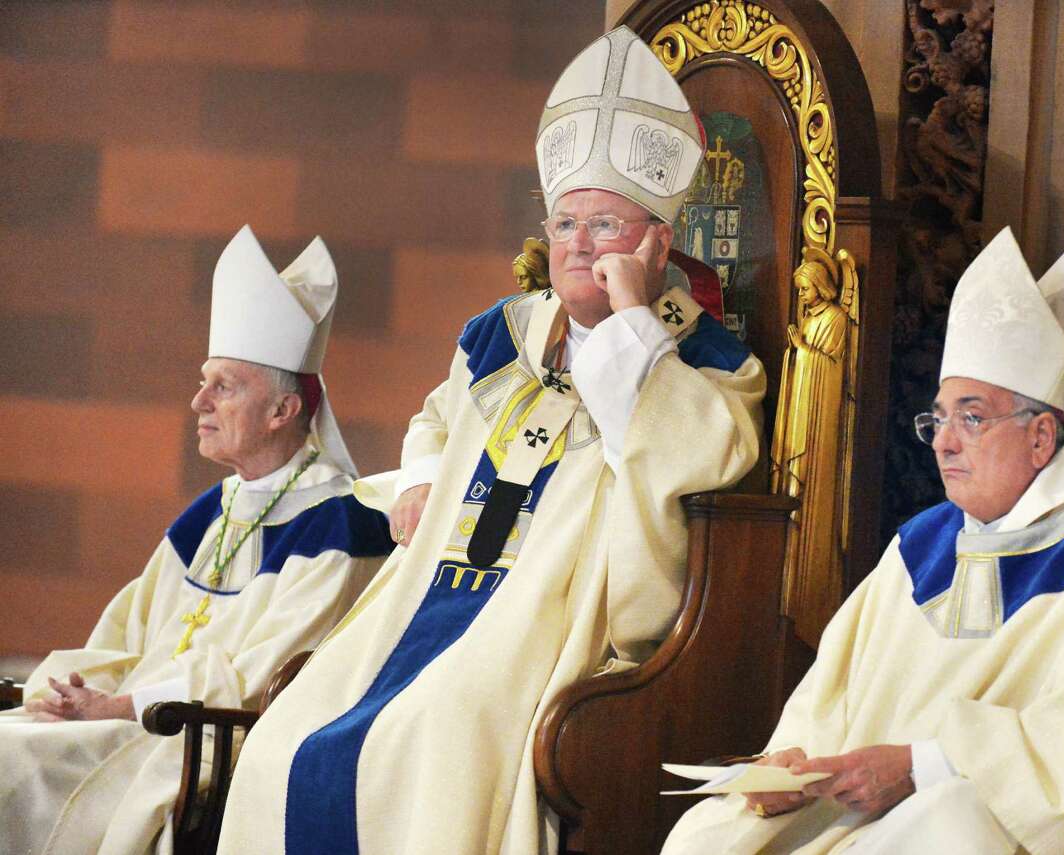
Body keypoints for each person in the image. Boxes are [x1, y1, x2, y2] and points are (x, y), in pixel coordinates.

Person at [216, 26, 765, 855]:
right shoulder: (503, 332)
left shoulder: (705, 358)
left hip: (540, 622)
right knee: (284, 738)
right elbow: (436, 416)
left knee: (437, 736)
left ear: (658, 242)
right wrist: (423, 477)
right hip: (428, 590)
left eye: (607, 225)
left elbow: (681, 465)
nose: (578, 243)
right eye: (566, 222)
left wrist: (629, 324)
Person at [663, 227, 1064, 854]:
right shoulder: (922, 545)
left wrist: (922, 766)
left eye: (972, 418)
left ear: (1041, 436)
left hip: (995, 827)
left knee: (949, 827)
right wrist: (790, 768)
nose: (944, 442)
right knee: (704, 839)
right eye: (939, 418)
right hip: (852, 814)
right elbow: (831, 702)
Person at [0, 226, 395, 855]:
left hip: (199, 745)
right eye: (203, 380)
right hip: (134, 725)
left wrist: (126, 706)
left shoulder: (341, 524)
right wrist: (76, 692)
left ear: (283, 411)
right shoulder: (212, 512)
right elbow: (123, 635)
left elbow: (272, 680)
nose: (197, 402)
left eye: (225, 386)